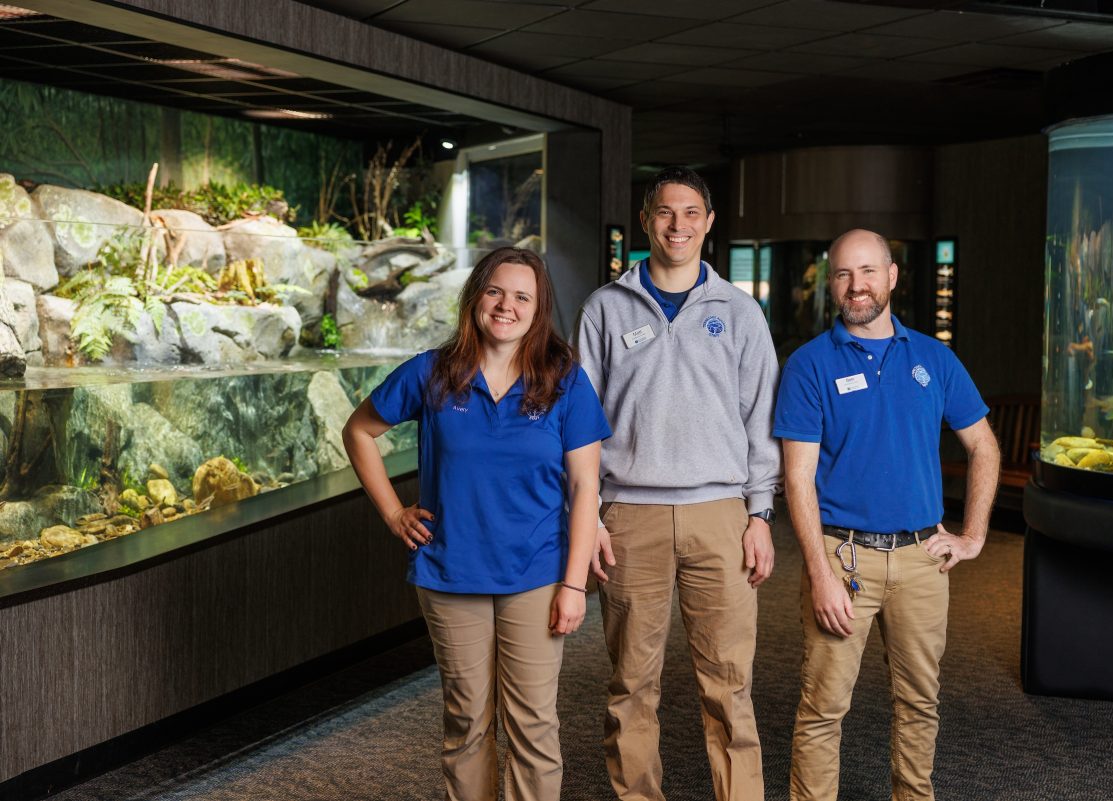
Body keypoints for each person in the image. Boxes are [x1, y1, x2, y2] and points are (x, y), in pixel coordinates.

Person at [342, 247, 611, 801]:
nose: (506, 306)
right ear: (475, 297)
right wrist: (394, 512)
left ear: (539, 309)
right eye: (495, 291)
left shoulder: (564, 380)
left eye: (522, 297)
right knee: (467, 723)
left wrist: (575, 583)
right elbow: (359, 431)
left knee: (533, 725)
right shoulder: (432, 372)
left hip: (536, 574)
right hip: (450, 573)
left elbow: (587, 488)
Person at [575, 166, 781, 801]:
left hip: (720, 512)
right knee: (631, 684)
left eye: (691, 213)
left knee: (729, 682)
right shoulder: (605, 307)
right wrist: (587, 523)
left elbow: (762, 417)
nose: (678, 225)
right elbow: (580, 422)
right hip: (628, 515)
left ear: (709, 222)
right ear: (646, 221)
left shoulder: (741, 312)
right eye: (665, 213)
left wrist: (760, 514)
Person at [774, 229, 1000, 801]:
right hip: (842, 558)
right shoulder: (809, 366)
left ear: (892, 277)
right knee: (824, 707)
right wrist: (819, 573)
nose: (858, 285)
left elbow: (985, 447)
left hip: (924, 560)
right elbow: (797, 477)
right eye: (846, 274)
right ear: (832, 283)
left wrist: (972, 536)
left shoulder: (934, 357)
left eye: (869, 271)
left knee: (921, 700)